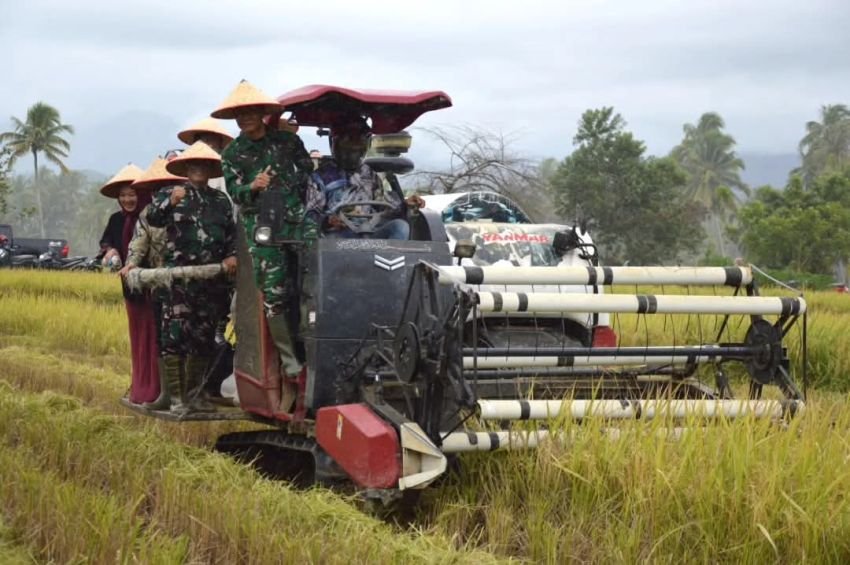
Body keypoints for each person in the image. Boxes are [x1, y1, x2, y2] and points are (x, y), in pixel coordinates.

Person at [216, 79, 315, 379]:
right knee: (274, 294)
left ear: (262, 113)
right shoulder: (232, 154)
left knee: (313, 283)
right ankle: (290, 363)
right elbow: (236, 193)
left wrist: (289, 180)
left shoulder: (288, 142)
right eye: (239, 114)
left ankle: (314, 350)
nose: (245, 118)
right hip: (263, 230)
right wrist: (253, 185)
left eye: (250, 112)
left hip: (298, 223)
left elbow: (308, 172)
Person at [146, 141, 237, 412]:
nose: (199, 168)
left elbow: (231, 235)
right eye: (194, 164)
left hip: (211, 281)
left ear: (211, 170)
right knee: (174, 337)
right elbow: (153, 219)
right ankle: (176, 399)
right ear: (186, 168)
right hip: (179, 280)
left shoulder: (221, 200)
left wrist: (232, 256)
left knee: (203, 338)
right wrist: (170, 202)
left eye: (205, 165)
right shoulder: (170, 193)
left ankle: (195, 395)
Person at [117, 156, 186, 410]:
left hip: (193, 284)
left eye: (169, 184)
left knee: (194, 337)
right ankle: (167, 394)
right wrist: (131, 263)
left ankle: (194, 392)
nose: (165, 190)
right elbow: (138, 243)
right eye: (159, 186)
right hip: (161, 284)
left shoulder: (193, 206)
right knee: (163, 337)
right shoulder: (148, 214)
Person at [99, 163, 161, 405]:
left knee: (155, 336)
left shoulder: (153, 217)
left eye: (132, 194)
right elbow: (106, 242)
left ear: (142, 194)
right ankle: (141, 384)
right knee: (138, 336)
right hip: (130, 288)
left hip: (153, 286)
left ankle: (157, 388)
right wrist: (110, 250)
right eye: (123, 195)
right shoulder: (116, 220)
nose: (127, 199)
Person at [313, 117, 423, 240]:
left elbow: (386, 206)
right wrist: (328, 221)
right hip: (335, 238)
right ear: (335, 143)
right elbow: (310, 215)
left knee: (400, 227)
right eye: (349, 140)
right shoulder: (320, 177)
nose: (355, 146)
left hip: (369, 233)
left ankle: (391, 253)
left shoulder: (370, 174)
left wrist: (406, 205)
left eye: (360, 141)